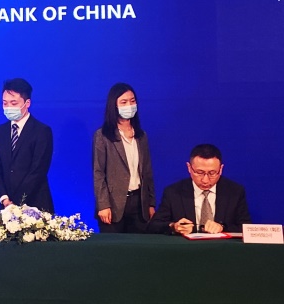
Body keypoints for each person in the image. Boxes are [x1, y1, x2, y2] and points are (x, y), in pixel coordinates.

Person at [92, 82, 156, 233]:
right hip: (114, 205)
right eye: (124, 102)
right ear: (114, 105)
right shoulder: (103, 136)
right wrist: (103, 205)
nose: (129, 105)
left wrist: (151, 203)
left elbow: (147, 172)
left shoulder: (141, 136)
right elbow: (98, 173)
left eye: (132, 101)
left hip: (139, 203)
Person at [147, 144, 251, 235]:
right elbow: (154, 226)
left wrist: (222, 227)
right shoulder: (173, 192)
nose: (205, 180)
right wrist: (174, 226)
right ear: (189, 168)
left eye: (212, 173)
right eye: (199, 172)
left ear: (221, 169)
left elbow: (246, 228)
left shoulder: (234, 192)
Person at [0, 78, 54, 212]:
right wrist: (5, 199)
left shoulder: (42, 131)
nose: (8, 107)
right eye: (5, 103)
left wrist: (17, 202)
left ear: (27, 103)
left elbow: (38, 170)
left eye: (13, 103)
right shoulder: (0, 131)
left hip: (35, 205)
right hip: (6, 206)